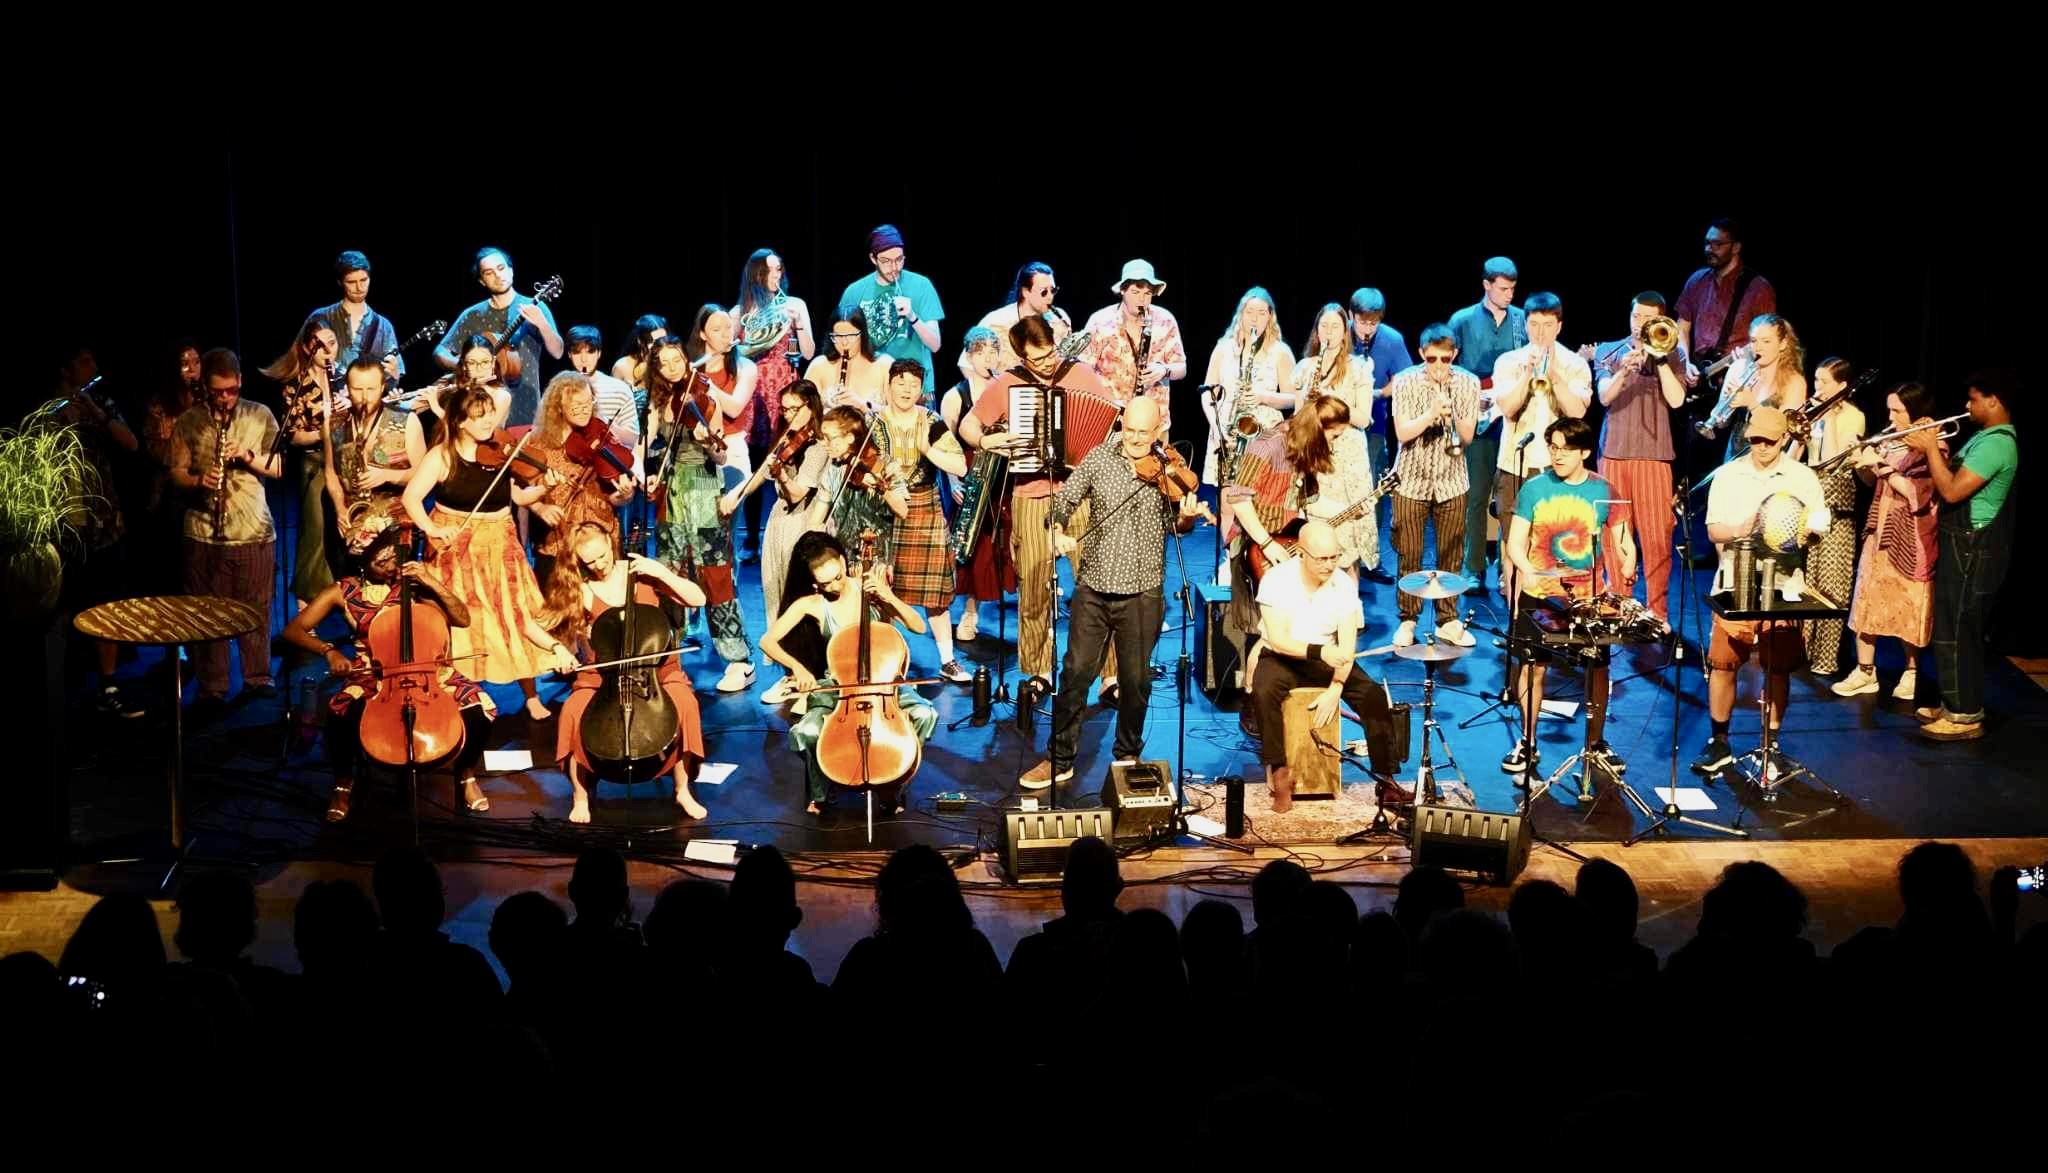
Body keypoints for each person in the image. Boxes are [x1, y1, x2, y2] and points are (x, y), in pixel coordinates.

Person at [1020, 398, 1212, 788]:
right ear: (1121, 425)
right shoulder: (1099, 458)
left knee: (1136, 679)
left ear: (1159, 430)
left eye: (1145, 433)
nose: (1137, 440)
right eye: (1130, 431)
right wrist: (1056, 530)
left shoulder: (1167, 469)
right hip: (1093, 585)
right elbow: (1065, 500)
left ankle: (1127, 755)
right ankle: (1060, 758)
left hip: (1143, 590)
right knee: (1074, 673)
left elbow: (1178, 526)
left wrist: (1188, 518)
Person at [958, 316, 1122, 700]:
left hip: (1082, 494)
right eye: (1037, 360)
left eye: (1048, 355)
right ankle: (1038, 671)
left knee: (1096, 586)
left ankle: (1110, 676)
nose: (1046, 365)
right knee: (1033, 587)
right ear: (1021, 357)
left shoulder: (1081, 375)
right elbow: (968, 425)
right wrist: (989, 441)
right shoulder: (1009, 383)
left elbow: (1110, 423)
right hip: (1030, 494)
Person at [281, 527, 495, 820]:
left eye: (393, 559)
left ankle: (466, 774)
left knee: (480, 708)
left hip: (429, 670)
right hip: (374, 672)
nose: (391, 567)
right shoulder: (343, 591)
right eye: (381, 563)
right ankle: (344, 783)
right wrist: (329, 651)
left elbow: (462, 618)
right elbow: (293, 630)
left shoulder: (414, 584)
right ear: (362, 560)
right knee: (339, 713)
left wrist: (429, 580)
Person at [401, 382, 578, 721]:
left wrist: (545, 486)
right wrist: (434, 529)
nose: (488, 423)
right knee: (466, 623)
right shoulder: (443, 455)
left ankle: (530, 694)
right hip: (458, 546)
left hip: (501, 541)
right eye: (478, 417)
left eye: (490, 415)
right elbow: (411, 498)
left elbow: (519, 498)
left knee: (515, 614)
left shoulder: (501, 451)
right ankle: (465, 693)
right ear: (460, 421)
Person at [1693, 407, 1831, 776]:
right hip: (1735, 582)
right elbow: (1713, 530)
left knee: (1777, 666)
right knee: (1723, 664)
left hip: (1784, 585)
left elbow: (1820, 518)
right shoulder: (1728, 475)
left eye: (1769, 440)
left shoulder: (1801, 476)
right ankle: (1719, 742)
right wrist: (1741, 528)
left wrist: (1811, 529)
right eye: (1754, 439)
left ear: (1783, 438)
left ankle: (1770, 745)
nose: (1761, 446)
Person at [759, 533, 937, 816]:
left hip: (883, 684)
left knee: (925, 715)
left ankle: (894, 783)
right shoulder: (813, 604)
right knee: (807, 730)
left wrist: (888, 596)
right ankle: (821, 791)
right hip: (838, 687)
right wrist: (798, 667)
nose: (834, 586)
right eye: (824, 582)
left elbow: (918, 627)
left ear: (843, 561)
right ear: (813, 581)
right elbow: (767, 641)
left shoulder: (869, 590)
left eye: (838, 577)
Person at [1501, 418, 1636, 788]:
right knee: (1533, 668)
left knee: (1597, 669)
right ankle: (1528, 742)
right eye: (1553, 448)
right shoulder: (1534, 488)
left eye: (1565, 449)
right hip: (1540, 594)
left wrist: (1628, 558)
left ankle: (1596, 742)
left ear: (1585, 452)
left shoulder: (1604, 490)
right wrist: (1526, 569)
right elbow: (1515, 541)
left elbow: (1624, 538)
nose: (1557, 455)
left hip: (1587, 597)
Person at [552, 523, 709, 822]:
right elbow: (537, 624)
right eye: (590, 562)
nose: (599, 565)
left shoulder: (644, 572)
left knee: (686, 705)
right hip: (603, 676)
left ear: (612, 543)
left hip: (656, 670)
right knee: (572, 711)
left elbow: (698, 599)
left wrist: (662, 573)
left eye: (603, 556)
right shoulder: (581, 589)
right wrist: (558, 649)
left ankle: (682, 789)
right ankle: (580, 794)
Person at [1245, 521, 1398, 812]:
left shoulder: (1343, 585)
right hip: (1283, 656)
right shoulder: (1276, 580)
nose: (1330, 565)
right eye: (1322, 558)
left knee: (1373, 695)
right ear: (1302, 553)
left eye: (1334, 557)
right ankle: (1280, 773)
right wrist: (1321, 651)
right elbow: (1278, 641)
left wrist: (1336, 687)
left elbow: (1347, 646)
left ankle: (1386, 779)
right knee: (1264, 692)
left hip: (1326, 658)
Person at [165, 350, 285, 721]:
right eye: (217, 393)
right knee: (207, 614)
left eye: (231, 391)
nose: (224, 399)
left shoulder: (260, 414)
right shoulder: (189, 421)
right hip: (203, 532)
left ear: (240, 383)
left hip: (252, 530)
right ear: (206, 388)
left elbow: (279, 466)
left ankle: (257, 679)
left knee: (256, 611)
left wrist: (248, 456)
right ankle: (212, 687)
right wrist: (200, 480)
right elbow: (175, 472)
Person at [1905, 372, 2018, 741]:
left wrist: (1929, 449)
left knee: (1959, 631)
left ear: (1993, 400)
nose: (1967, 407)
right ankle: (1956, 701)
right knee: (1950, 628)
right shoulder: (1983, 439)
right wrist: (1933, 446)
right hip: (1962, 542)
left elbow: (1951, 491)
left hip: (1973, 547)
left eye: (1973, 399)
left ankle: (1964, 714)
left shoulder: (1997, 444)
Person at [645, 336, 754, 692]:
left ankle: (738, 659)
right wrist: (649, 473)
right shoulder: (657, 402)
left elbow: (722, 457)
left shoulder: (705, 398)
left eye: (678, 360)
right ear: (657, 370)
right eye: (665, 363)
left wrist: (708, 442)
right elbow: (649, 448)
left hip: (705, 489)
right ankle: (667, 657)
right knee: (668, 571)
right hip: (671, 491)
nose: (674, 368)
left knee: (715, 572)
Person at [720, 380, 830, 703]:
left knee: (799, 597)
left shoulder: (820, 445)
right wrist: (737, 494)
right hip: (779, 521)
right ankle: (788, 673)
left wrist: (781, 473)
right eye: (784, 409)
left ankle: (806, 672)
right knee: (776, 592)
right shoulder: (786, 439)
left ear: (811, 407)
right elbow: (761, 474)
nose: (789, 415)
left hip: (805, 522)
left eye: (795, 409)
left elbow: (797, 494)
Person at [1834, 381, 1943, 701]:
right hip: (1878, 531)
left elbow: (1915, 495)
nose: (1891, 415)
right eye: (1890, 409)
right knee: (1867, 599)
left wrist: (1879, 466)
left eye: (1898, 410)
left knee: (1907, 605)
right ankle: (1865, 672)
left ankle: (1911, 674)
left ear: (1916, 411)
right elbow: (1873, 482)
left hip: (1910, 535)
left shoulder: (1933, 445)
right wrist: (1863, 463)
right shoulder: (1893, 440)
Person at [1592, 292, 1693, 623]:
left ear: (1660, 321)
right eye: (1636, 317)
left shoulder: (1674, 352)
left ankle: (1656, 613)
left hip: (1654, 457)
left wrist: (1661, 359)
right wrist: (1623, 372)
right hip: (1615, 456)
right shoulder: (1609, 351)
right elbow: (1605, 397)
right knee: (1615, 534)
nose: (1640, 325)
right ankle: (1619, 605)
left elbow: (1677, 401)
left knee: (1657, 536)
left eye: (1648, 320)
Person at [1488, 292, 1592, 601]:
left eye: (1547, 325)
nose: (1540, 333)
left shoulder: (1574, 364)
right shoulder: (1508, 362)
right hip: (1514, 466)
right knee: (1513, 544)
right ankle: (1515, 621)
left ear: (1559, 326)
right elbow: (1507, 408)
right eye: (1534, 325)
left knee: (1554, 546)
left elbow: (1578, 413)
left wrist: (1555, 378)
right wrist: (1526, 376)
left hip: (1557, 469)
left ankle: (1550, 619)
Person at [876, 360, 972, 682]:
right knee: (883, 589)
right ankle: (887, 661)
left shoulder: (931, 421)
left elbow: (959, 466)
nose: (907, 389)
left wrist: (928, 450)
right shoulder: (873, 422)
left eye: (914, 384)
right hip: (882, 507)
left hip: (924, 505)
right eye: (900, 383)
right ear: (888, 385)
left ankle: (947, 660)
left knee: (936, 593)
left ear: (921, 389)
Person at [1387, 325, 1481, 647]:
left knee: (1451, 554)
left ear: (1454, 354)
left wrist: (1451, 411)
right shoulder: (1405, 381)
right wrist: (1430, 413)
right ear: (1421, 353)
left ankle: (1448, 619)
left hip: (1452, 481)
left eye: (1445, 358)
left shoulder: (1468, 382)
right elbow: (1402, 432)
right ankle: (1408, 619)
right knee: (1409, 553)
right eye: (1431, 359)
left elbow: (1467, 438)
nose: (1438, 366)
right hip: (1410, 481)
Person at [1447, 257, 1527, 592]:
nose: (1509, 294)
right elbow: (1447, 367)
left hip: (1512, 416)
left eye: (1512, 288)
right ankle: (1474, 567)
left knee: (1511, 499)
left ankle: (1509, 568)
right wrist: (1467, 398)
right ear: (1486, 285)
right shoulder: (1462, 319)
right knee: (1477, 495)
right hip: (1478, 416)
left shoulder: (1521, 319)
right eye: (1503, 288)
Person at [733, 249, 813, 556]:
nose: (776, 276)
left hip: (785, 390)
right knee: (755, 464)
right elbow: (735, 354)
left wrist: (799, 325)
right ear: (755, 275)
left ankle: (796, 532)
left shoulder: (794, 306)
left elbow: (807, 353)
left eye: (779, 269)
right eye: (769, 271)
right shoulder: (739, 312)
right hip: (753, 391)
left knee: (790, 458)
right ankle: (752, 540)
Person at [263, 318, 345, 607]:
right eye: (320, 345)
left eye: (332, 344)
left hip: (346, 459)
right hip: (315, 463)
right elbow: (293, 437)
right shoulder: (296, 385)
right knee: (316, 531)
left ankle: (350, 598)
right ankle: (305, 605)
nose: (327, 351)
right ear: (307, 347)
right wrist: (323, 430)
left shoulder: (345, 376)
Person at [434, 246, 562, 428]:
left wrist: (542, 324)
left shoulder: (535, 307)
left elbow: (558, 352)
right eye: (489, 272)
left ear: (511, 270)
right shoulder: (472, 315)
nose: (498, 275)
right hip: (478, 414)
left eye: (501, 268)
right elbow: (440, 351)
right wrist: (465, 366)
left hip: (525, 410)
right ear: (481, 281)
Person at [1798, 357, 1867, 676]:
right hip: (1811, 490)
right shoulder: (1814, 413)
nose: (1817, 387)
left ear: (1841, 387)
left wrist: (1834, 413)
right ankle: (1803, 649)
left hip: (1838, 493)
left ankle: (1826, 657)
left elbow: (1841, 458)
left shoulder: (1854, 415)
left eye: (1824, 382)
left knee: (1833, 579)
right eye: (1816, 380)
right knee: (1808, 577)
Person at [324, 357, 427, 559]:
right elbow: (330, 471)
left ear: (382, 387)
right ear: (347, 388)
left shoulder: (407, 421)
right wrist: (340, 508)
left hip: (395, 526)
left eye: (371, 389)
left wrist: (387, 475)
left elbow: (423, 475)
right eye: (357, 389)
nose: (364, 397)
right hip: (351, 523)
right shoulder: (334, 424)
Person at [1199, 287, 1297, 487]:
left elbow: (1295, 398)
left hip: (1264, 435)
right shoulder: (1223, 348)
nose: (1255, 319)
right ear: (1241, 315)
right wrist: (1216, 429)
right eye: (1250, 312)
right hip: (1226, 432)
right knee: (1226, 502)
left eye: (1262, 313)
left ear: (1270, 317)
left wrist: (1264, 397)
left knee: (1259, 498)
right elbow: (1208, 393)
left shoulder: (1280, 351)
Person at [1349, 288, 1414, 575]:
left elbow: (1407, 377)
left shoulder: (1392, 339)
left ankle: (1369, 557)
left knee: (1373, 486)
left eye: (1373, 323)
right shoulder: (1338, 331)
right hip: (1337, 422)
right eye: (1362, 322)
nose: (1367, 329)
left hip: (1373, 422)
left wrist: (1382, 392)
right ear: (1352, 316)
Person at [836, 223, 944, 394]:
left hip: (916, 388)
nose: (894, 267)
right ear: (873, 259)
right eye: (886, 261)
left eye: (899, 259)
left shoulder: (922, 285)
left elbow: (935, 344)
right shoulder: (854, 292)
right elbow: (841, 341)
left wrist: (912, 316)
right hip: (871, 388)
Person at [1076, 259, 1186, 420]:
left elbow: (1182, 368)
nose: (1142, 299)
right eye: (1135, 292)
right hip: (1109, 419)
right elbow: (1083, 371)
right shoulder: (1100, 321)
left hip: (1153, 420)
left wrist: (1164, 370)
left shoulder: (1165, 320)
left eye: (1147, 293)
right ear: (1122, 290)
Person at [1674, 217, 1777, 364]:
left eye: (1717, 244)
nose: (1709, 249)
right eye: (1707, 243)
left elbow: (1768, 337)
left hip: (1738, 373)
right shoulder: (1697, 280)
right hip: (1698, 372)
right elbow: (1682, 327)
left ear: (1736, 247)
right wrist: (1685, 363)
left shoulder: (1759, 288)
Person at [959, 260, 1071, 377]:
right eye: (1044, 292)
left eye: (1053, 290)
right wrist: (992, 392)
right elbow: (966, 365)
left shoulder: (1060, 320)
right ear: (1025, 292)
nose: (1050, 297)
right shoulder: (995, 322)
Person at [303, 249, 404, 379]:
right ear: (340, 282)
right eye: (351, 282)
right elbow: (300, 360)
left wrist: (394, 375)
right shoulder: (320, 317)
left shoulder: (384, 326)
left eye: (364, 280)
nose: (359, 288)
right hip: (327, 396)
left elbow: (393, 377)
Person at [802, 306, 891, 410]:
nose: (844, 342)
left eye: (851, 335)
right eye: (838, 336)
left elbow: (897, 414)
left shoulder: (885, 365)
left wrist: (862, 406)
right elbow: (804, 410)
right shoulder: (818, 366)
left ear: (863, 334)